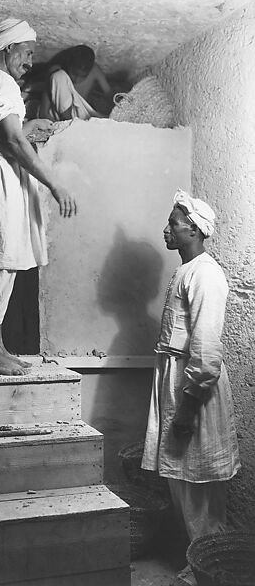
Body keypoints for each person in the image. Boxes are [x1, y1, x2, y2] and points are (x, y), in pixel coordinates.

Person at [0, 17, 77, 376]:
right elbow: (10, 142)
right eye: (26, 54)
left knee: (2, 266)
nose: (29, 63)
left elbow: (4, 135)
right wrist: (55, 184)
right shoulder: (1, 80)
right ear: (8, 48)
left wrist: (25, 130)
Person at [141, 190, 240, 586]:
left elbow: (205, 351)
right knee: (182, 477)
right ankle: (196, 557)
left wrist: (186, 410)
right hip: (174, 379)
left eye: (174, 223)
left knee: (199, 482)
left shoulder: (206, 275)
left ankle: (207, 564)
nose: (166, 229)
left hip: (193, 390)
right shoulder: (186, 270)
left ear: (194, 230)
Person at [37, 45, 110, 121]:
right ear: (69, 65)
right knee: (59, 75)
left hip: (81, 118)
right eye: (74, 74)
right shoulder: (56, 72)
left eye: (83, 76)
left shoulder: (95, 71)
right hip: (58, 119)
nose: (77, 79)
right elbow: (43, 113)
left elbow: (111, 96)